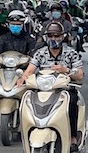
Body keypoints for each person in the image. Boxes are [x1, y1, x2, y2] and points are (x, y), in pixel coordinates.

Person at [17, 23, 83, 153]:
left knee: (72, 103)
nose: (54, 38)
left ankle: (73, 138)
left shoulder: (71, 53)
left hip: (64, 90)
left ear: (63, 37)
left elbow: (80, 75)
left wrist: (66, 70)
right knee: (26, 100)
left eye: (57, 36)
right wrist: (22, 78)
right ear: (46, 37)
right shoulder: (40, 53)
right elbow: (30, 70)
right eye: (51, 36)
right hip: (42, 90)